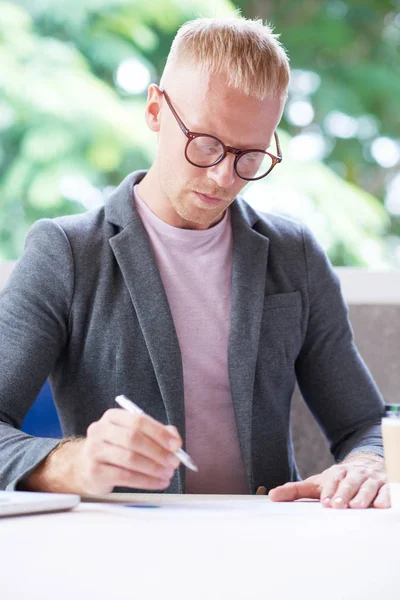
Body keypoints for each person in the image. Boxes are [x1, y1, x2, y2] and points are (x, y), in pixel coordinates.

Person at [0, 16, 389, 509]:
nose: (224, 178)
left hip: (265, 546)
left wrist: (368, 464)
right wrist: (76, 463)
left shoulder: (295, 255)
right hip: (120, 552)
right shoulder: (67, 252)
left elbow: (365, 425)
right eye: (205, 145)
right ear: (156, 109)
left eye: (250, 156)